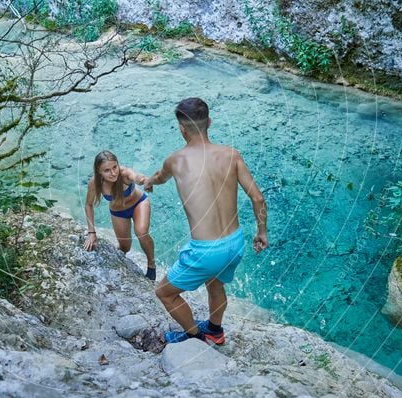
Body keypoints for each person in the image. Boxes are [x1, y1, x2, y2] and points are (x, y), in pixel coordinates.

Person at [143, 97, 268, 344]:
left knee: (164, 293)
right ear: (209, 122)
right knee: (215, 282)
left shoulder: (175, 161)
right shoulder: (232, 155)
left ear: (181, 128)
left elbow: (159, 177)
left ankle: (195, 336)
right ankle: (215, 330)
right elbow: (258, 198)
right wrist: (261, 232)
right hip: (235, 244)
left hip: (205, 251)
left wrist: (148, 182)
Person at [83, 150, 156, 280]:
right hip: (118, 212)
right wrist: (91, 233)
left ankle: (151, 264)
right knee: (124, 248)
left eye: (114, 167)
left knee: (141, 232)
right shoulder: (94, 183)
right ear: (99, 171)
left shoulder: (124, 173)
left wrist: (145, 181)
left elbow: (136, 177)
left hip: (139, 203)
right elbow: (89, 205)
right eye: (107, 170)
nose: (113, 173)